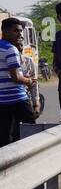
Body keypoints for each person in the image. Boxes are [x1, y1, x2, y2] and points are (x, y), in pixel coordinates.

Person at [0, 18, 37, 146]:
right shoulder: (11, 49)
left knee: (5, 137)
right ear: (5, 31)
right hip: (17, 98)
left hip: (2, 101)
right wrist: (29, 81)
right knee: (30, 132)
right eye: (16, 31)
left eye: (21, 31)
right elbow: (15, 77)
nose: (20, 34)